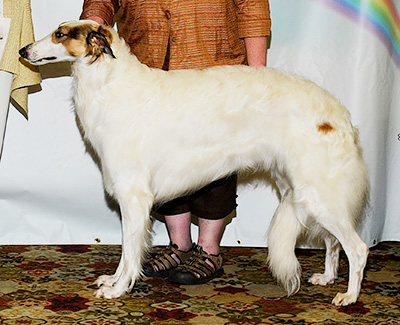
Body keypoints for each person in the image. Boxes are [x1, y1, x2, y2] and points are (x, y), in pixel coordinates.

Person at [80, 0, 271, 285]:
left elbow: (252, 5)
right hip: (146, 55)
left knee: (217, 154)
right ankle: (178, 246)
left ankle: (209, 251)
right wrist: (91, 24)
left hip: (212, 55)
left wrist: (258, 76)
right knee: (159, 160)